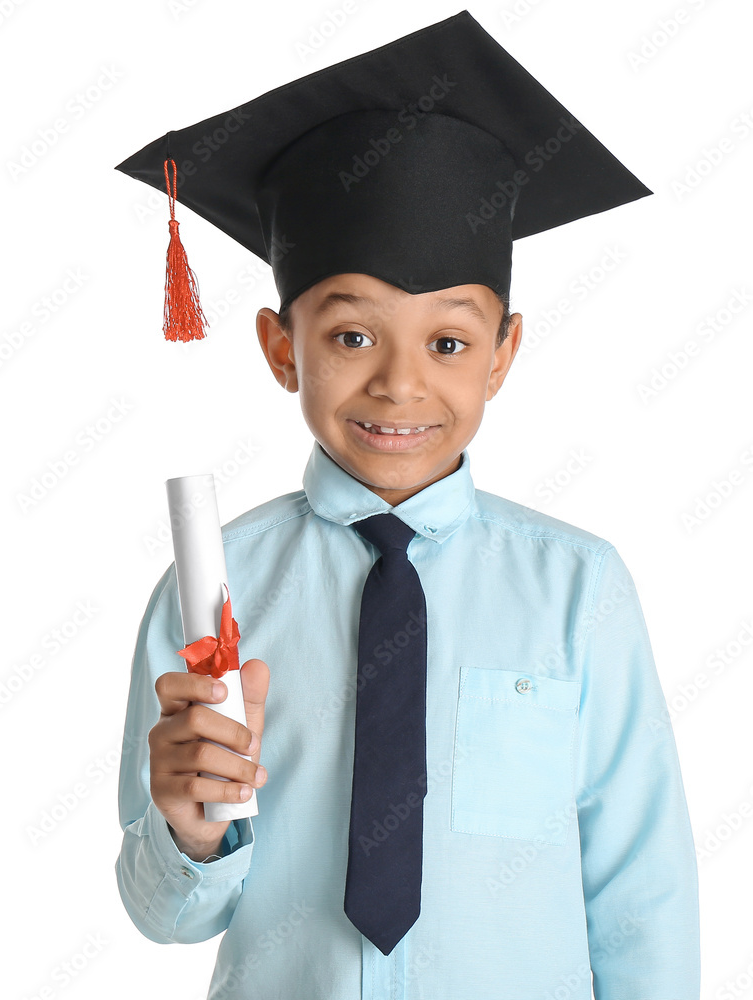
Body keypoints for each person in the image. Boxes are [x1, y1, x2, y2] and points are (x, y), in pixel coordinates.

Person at [115, 10, 700, 999]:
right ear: (278, 346)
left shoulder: (576, 586)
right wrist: (188, 822)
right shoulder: (214, 587)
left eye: (446, 343)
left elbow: (639, 886)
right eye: (349, 337)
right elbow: (167, 913)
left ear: (503, 354)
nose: (398, 386)